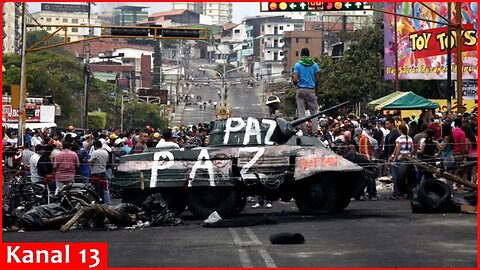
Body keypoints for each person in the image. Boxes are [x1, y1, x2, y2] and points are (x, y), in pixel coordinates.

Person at [292, 47, 320, 137]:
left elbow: (295, 79)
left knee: (301, 112)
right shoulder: (314, 65)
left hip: (300, 90)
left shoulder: (297, 65)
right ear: (309, 54)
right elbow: (317, 79)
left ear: (301, 55)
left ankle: (304, 133)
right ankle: (314, 133)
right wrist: (316, 90)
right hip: (311, 90)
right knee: (314, 112)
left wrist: (295, 83)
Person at [388, 124, 414, 200]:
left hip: (399, 159)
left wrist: (393, 158)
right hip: (408, 159)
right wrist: (407, 154)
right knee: (405, 176)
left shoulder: (398, 139)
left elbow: (397, 149)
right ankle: (406, 192)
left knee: (396, 177)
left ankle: (397, 193)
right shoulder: (410, 139)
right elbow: (412, 150)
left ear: (400, 130)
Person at [89, 140, 110, 204]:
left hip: (95, 173)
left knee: (96, 190)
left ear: (95, 146)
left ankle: (98, 203)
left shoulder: (95, 152)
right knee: (104, 189)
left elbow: (91, 162)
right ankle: (106, 203)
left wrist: (88, 161)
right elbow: (107, 161)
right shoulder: (106, 152)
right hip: (103, 172)